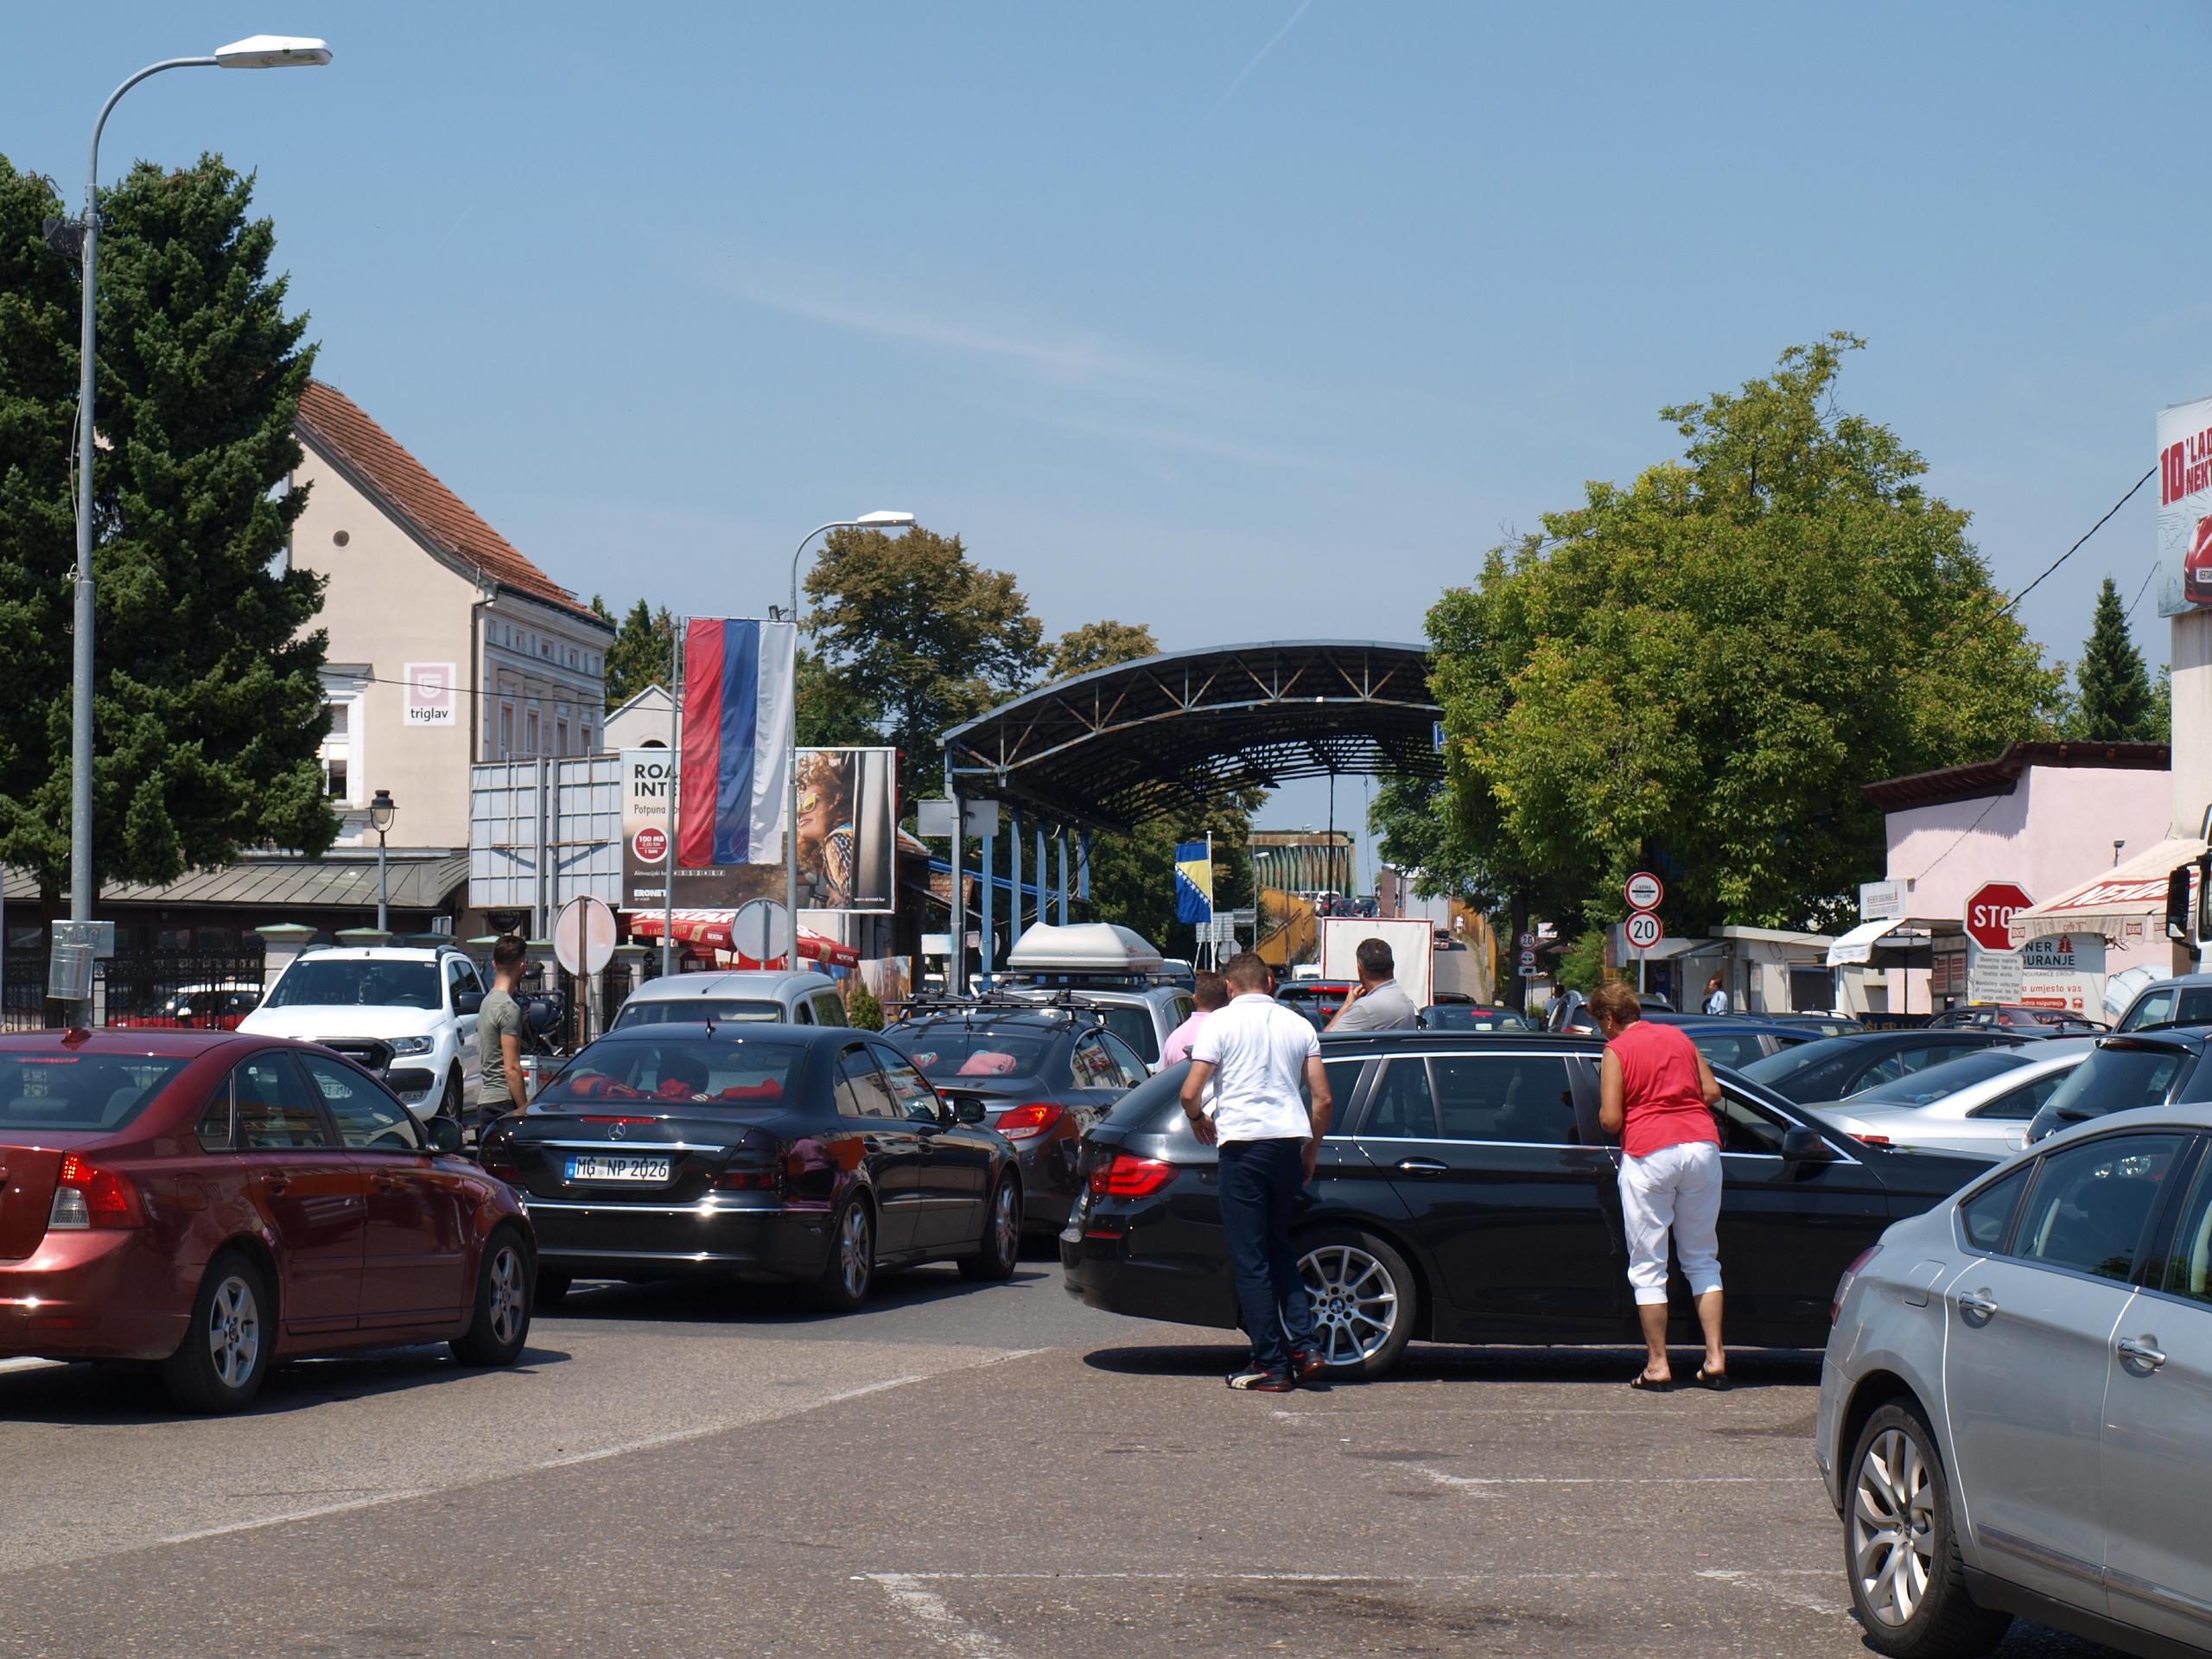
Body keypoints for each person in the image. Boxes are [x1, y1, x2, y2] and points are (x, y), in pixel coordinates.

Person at [1182, 952, 1335, 1393]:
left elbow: (1191, 1092)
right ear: (1270, 981)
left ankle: (1272, 1362)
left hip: (1244, 1148)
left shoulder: (1220, 1024)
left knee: (1251, 1260)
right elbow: (1322, 1099)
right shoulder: (1299, 1025)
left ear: (1229, 987)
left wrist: (1197, 1119)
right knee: (1279, 1248)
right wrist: (1311, 1150)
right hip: (1288, 1145)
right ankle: (1307, 1347)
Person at [1591, 979, 1726, 1391]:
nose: (1602, 1032)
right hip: (1701, 1147)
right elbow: (1713, 1092)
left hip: (1651, 1151)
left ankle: (1658, 1364)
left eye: (1600, 1024)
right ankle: (1716, 1357)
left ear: (1610, 1019)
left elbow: (1612, 1120)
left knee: (1649, 1265)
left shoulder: (1617, 1050)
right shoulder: (1678, 1037)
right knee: (1702, 1258)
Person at [474, 934, 531, 1141]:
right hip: (503, 1103)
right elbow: (512, 1069)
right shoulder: (508, 1008)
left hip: (486, 1102)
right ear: (522, 965)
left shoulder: (486, 1002)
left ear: (493, 963)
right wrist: (524, 1108)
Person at [795, 750, 857, 908]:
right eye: (800, 806)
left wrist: (842, 903)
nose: (801, 812)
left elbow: (856, 902)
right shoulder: (844, 837)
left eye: (809, 803)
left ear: (836, 801)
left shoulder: (837, 840)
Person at [1325, 938, 1418, 1032]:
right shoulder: (1404, 1000)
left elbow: (1326, 1041)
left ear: (1360, 968)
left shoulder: (1365, 1008)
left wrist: (1347, 1005)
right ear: (1392, 966)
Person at [1162, 971, 1228, 1067]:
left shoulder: (1173, 1040)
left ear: (1195, 999)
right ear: (1226, 1002)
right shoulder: (1229, 1034)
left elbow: (1164, 1080)